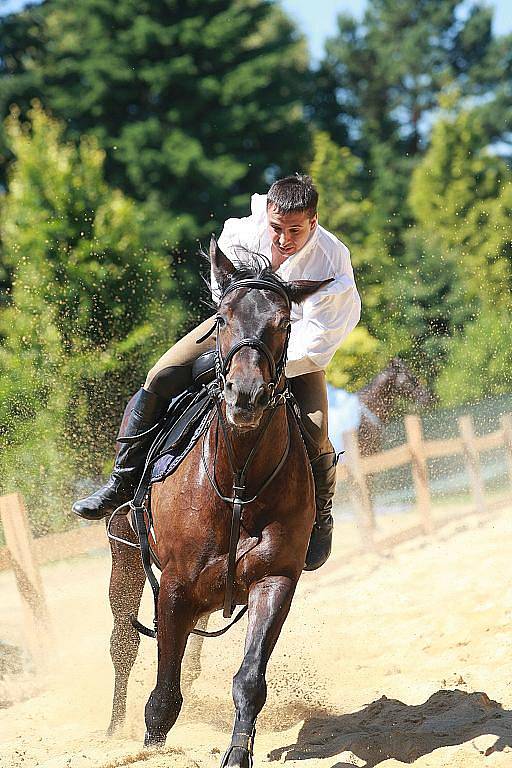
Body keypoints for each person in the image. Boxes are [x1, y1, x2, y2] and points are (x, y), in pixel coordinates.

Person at [72, 174, 361, 571]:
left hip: (293, 352)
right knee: (160, 374)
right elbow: (222, 291)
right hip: (239, 332)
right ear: (268, 216)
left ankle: (322, 516)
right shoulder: (244, 231)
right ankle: (122, 480)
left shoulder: (332, 260)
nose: (282, 239)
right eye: (277, 228)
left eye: (295, 230)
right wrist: (236, 350)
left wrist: (261, 366)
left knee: (315, 429)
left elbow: (318, 340)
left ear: (313, 221)